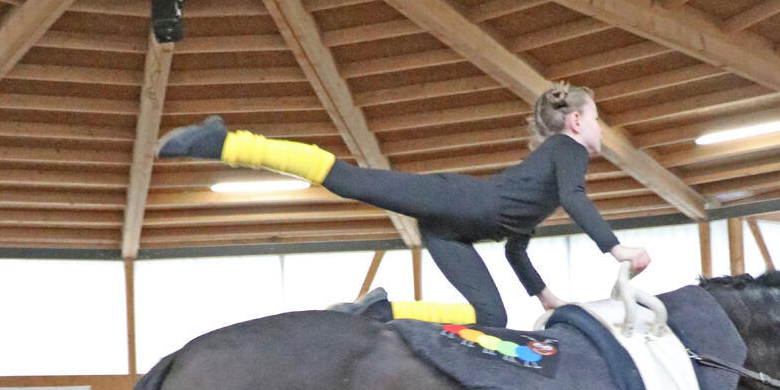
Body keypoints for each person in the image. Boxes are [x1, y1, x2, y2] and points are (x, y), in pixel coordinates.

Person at [156, 83, 651, 328]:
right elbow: (575, 197)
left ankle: (381, 311)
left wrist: (546, 298)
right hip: (454, 200)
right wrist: (616, 249)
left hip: (450, 230)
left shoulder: (542, 176)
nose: (602, 129)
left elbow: (514, 251)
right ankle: (225, 143)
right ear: (576, 123)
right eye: (598, 118)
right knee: (349, 179)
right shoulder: (565, 155)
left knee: (491, 321)